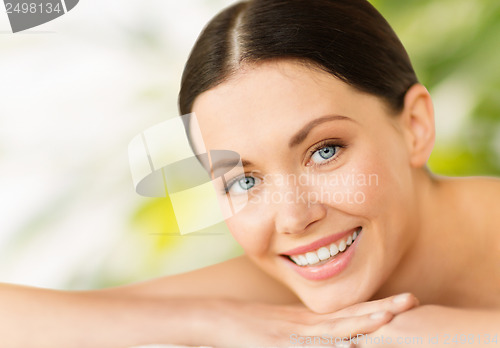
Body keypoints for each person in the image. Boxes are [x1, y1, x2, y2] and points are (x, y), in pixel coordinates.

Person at [1, 0, 499, 347]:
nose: (292, 218)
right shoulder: (281, 291)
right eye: (243, 180)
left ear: (414, 126)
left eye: (325, 151)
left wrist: (452, 334)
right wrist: (211, 320)